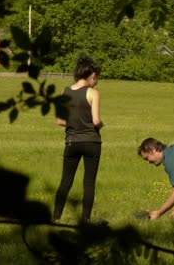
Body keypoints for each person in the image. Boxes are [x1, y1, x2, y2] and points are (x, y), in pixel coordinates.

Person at [53, 54, 104, 223]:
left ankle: (56, 217)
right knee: (88, 182)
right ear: (93, 75)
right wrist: (101, 124)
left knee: (66, 181)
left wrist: (74, 122)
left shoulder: (65, 91)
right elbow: (96, 121)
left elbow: (60, 121)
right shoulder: (93, 93)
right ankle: (85, 219)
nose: (96, 82)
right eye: (97, 78)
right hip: (91, 142)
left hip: (71, 141)